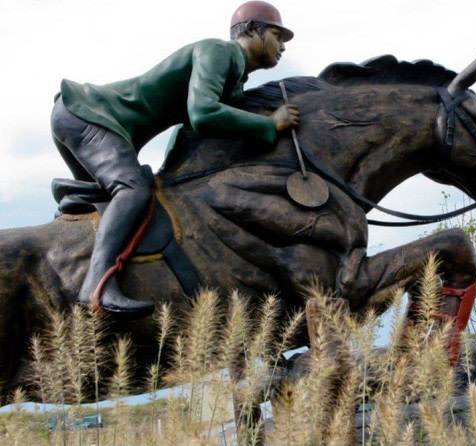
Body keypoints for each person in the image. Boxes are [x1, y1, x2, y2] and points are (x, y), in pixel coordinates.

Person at [50, 1, 299, 318]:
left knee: (121, 204)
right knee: (134, 190)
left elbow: (187, 130)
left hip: (83, 117)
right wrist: (269, 124)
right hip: (87, 113)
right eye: (278, 36)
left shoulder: (233, 79)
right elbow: (202, 113)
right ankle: (96, 287)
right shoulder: (219, 51)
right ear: (253, 30)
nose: (283, 47)